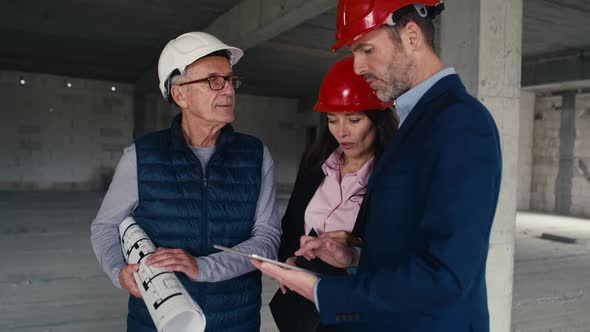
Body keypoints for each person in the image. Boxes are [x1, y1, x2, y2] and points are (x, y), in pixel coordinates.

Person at [252, 1, 503, 331]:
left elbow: (447, 277)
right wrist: (355, 257)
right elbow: (411, 243)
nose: (357, 67)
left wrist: (322, 291)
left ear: (411, 36)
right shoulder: (417, 122)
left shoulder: (461, 124)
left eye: (366, 49)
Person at [90, 32, 281, 332]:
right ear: (180, 95)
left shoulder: (255, 155)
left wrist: (202, 267)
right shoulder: (142, 155)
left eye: (231, 80)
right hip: (161, 321)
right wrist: (118, 271)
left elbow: (267, 241)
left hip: (235, 320)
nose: (229, 90)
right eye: (214, 80)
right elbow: (105, 227)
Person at [271, 56, 397, 332]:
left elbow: (401, 255)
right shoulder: (314, 162)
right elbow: (291, 224)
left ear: (377, 120)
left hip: (357, 309)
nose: (342, 132)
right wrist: (289, 260)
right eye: (332, 120)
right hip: (302, 309)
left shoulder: (394, 177)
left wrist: (354, 252)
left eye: (354, 119)